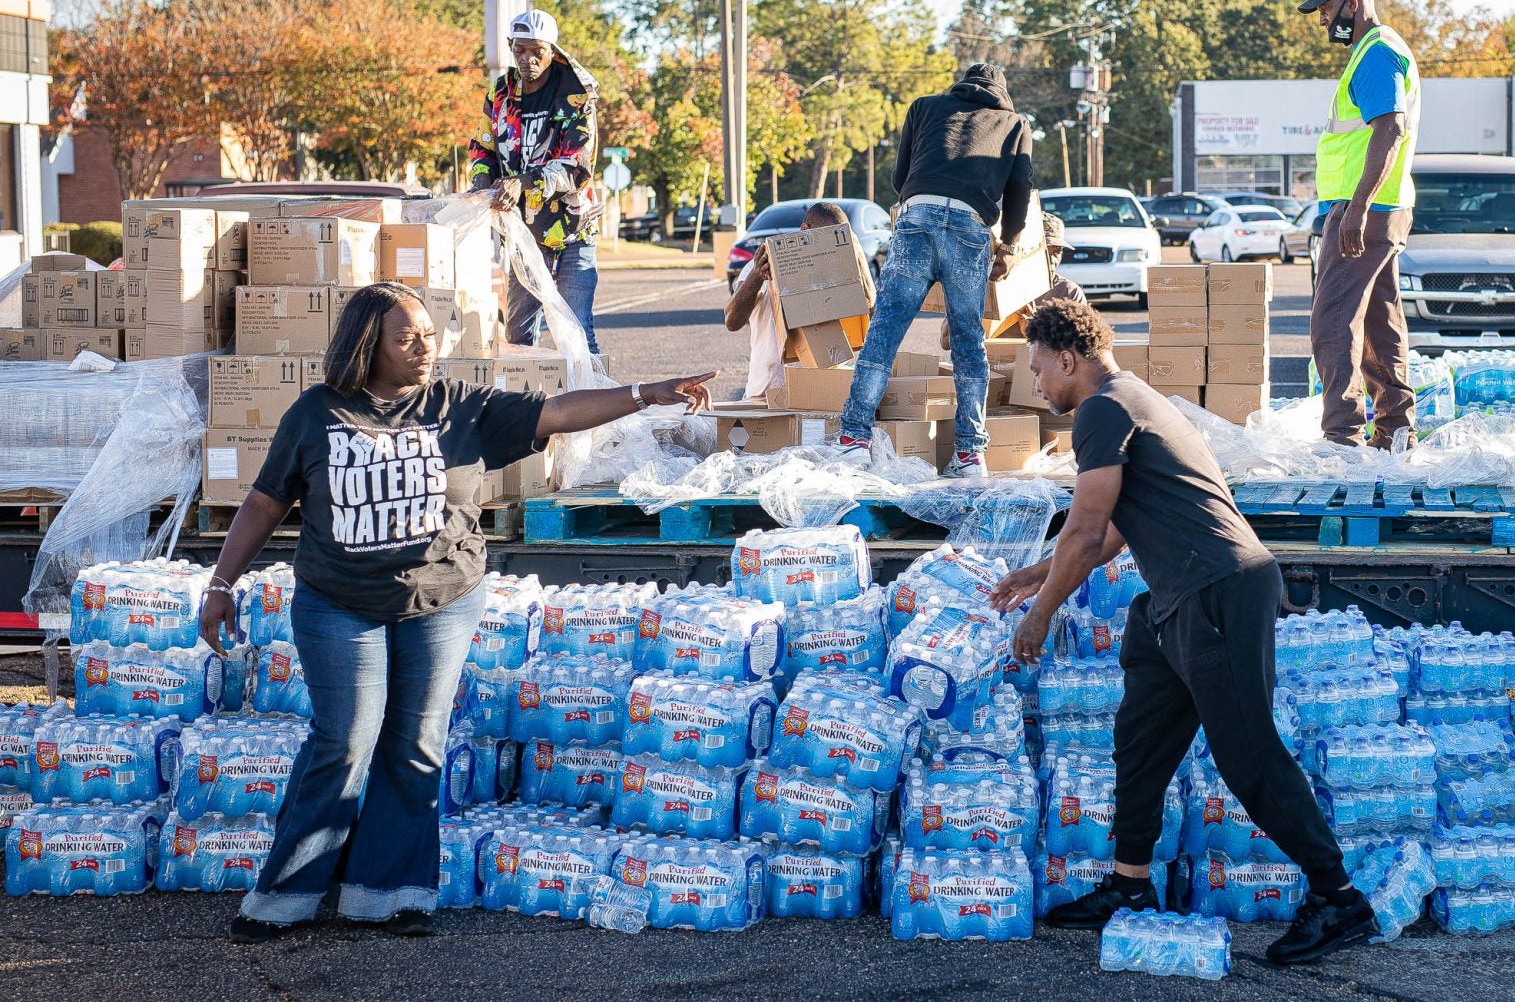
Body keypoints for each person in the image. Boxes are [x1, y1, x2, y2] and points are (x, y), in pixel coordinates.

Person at [198, 284, 713, 943]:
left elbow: (558, 412)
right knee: (344, 740)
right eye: (405, 338)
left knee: (415, 746)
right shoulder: (317, 413)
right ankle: (285, 895)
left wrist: (646, 393)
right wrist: (220, 582)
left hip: (442, 601)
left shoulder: (460, 407)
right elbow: (266, 502)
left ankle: (388, 893)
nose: (424, 347)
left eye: (428, 334)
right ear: (366, 346)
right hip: (338, 604)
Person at [989, 299, 1376, 965]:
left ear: (1066, 358)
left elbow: (1085, 532)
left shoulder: (1102, 411)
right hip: (1176, 600)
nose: (1037, 382)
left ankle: (1338, 898)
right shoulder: (1130, 396)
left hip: (1217, 591)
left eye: (1037, 368)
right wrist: (1036, 572)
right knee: (1140, 742)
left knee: (1248, 755)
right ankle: (1131, 886)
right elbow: (1109, 533)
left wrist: (1042, 611)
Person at [835, 62, 1034, 478]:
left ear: (960, 84)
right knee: (967, 342)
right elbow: (1019, 195)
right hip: (969, 226)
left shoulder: (924, 107)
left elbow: (899, 177)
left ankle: (853, 439)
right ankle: (970, 454)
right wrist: (1010, 244)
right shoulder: (1014, 124)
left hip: (917, 215)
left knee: (885, 330)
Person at [1298, 0, 1421, 448]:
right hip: (1380, 208)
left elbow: (1389, 128)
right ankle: (1395, 433)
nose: (1324, 21)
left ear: (1351, 2)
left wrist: (1356, 210)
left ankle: (1342, 441)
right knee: (1378, 320)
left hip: (1362, 213)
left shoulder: (1375, 53)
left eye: (1326, 10)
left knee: (1332, 320)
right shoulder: (1380, 51)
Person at [469, 9, 606, 354]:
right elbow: (482, 147)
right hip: (522, 235)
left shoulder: (575, 93)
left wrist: (522, 183)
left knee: (577, 336)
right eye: (519, 50)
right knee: (517, 337)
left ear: (551, 49)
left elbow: (577, 167)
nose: (527, 59)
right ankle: (528, 407)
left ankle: (597, 405)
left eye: (536, 51)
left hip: (572, 230)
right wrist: (484, 185)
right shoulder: (501, 93)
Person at [724, 201, 854, 403]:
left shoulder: (837, 271)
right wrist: (757, 276)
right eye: (826, 238)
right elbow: (732, 321)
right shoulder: (764, 263)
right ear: (805, 230)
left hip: (819, 391)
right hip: (766, 392)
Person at [942, 212, 1086, 349]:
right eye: (1045, 251)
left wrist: (1037, 332)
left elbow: (1080, 348)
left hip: (1036, 373)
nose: (1051, 260)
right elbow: (946, 341)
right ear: (1025, 251)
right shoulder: (994, 284)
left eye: (1057, 252)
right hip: (991, 370)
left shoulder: (1068, 292)